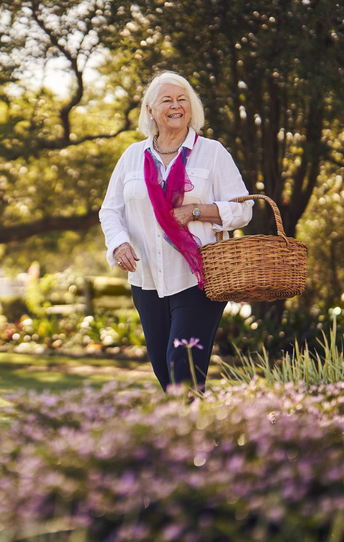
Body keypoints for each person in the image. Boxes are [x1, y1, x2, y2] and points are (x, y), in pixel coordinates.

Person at [99, 71, 253, 391]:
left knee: (182, 366)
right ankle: (194, 435)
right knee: (164, 372)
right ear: (150, 110)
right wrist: (119, 243)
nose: (176, 105)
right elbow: (111, 210)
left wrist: (197, 211)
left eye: (183, 99)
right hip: (147, 280)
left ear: (192, 109)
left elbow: (243, 209)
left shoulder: (212, 153)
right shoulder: (132, 157)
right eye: (167, 100)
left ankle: (194, 437)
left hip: (197, 278)